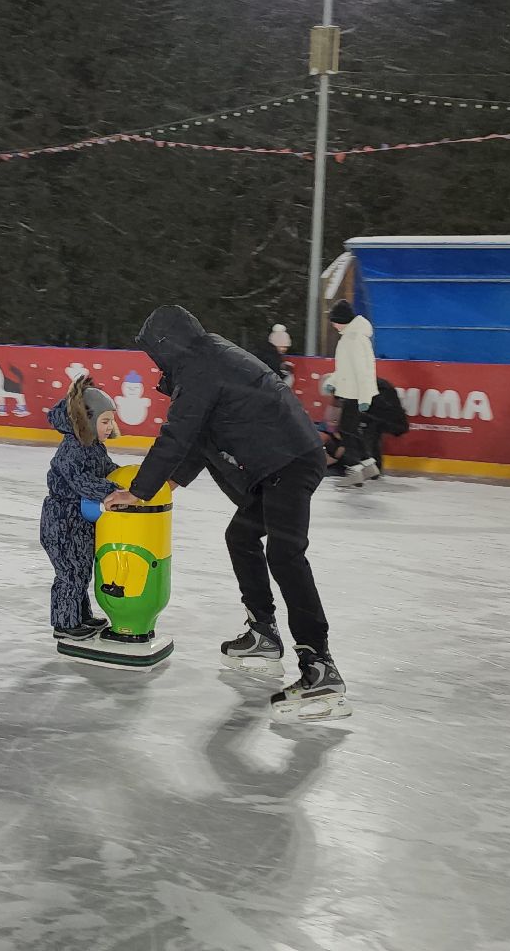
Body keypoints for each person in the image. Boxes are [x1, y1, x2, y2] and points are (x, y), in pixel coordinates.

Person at [102, 305, 350, 722]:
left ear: (168, 344)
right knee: (241, 536)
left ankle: (319, 666)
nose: (155, 364)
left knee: (285, 555)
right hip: (277, 463)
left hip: (288, 462)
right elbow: (199, 438)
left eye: (155, 354)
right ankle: (264, 633)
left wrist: (141, 491)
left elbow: (178, 433)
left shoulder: (202, 366)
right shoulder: (206, 358)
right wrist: (169, 485)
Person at [41, 378, 119, 643]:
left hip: (81, 519)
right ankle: (65, 623)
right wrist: (112, 489)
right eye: (104, 421)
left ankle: (81, 616)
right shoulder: (72, 448)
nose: (110, 427)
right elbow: (81, 481)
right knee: (70, 572)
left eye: (111, 421)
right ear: (87, 419)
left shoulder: (94, 446)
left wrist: (129, 479)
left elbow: (108, 469)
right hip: (61, 520)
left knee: (81, 570)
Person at [323, 300, 380, 488]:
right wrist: (332, 383)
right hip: (352, 392)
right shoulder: (349, 337)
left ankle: (355, 469)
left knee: (346, 430)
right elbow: (345, 370)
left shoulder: (354, 339)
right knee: (351, 429)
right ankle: (369, 466)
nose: (332, 324)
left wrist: (364, 398)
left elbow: (363, 371)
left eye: (334, 320)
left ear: (341, 320)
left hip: (356, 394)